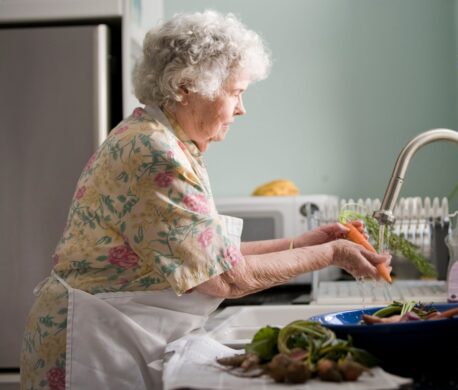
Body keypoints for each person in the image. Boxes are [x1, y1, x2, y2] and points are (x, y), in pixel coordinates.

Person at [20, 10, 390, 390]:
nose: (242, 108)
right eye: (235, 92)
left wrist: (310, 241)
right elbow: (226, 278)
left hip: (112, 336)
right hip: (90, 348)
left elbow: (212, 256)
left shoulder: (159, 140)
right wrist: (331, 254)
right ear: (185, 87)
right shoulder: (154, 153)